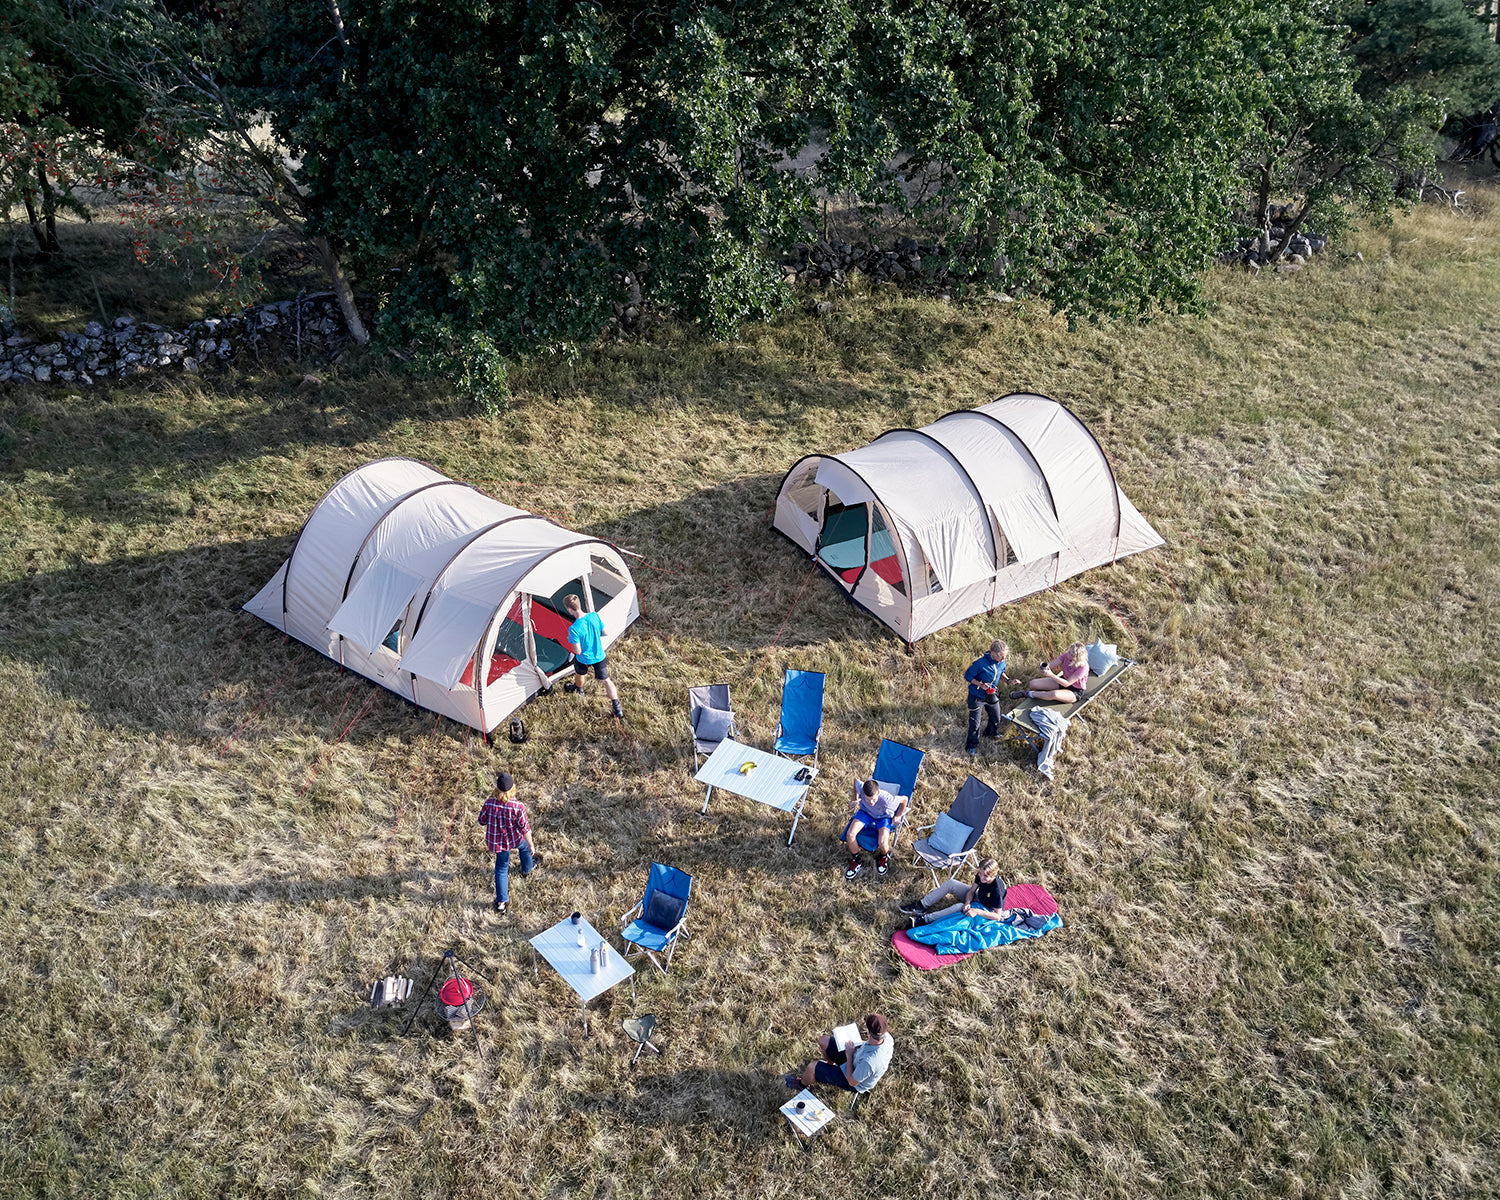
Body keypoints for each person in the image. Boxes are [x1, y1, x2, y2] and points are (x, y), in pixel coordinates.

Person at [785, 1013, 895, 1097]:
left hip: (854, 1079)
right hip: (856, 1058)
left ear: (869, 1033)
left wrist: (849, 1055)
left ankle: (801, 1085)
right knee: (823, 1041)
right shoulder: (887, 1038)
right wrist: (856, 1043)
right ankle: (829, 1065)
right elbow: (868, 1044)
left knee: (812, 1067)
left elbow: (852, 1082)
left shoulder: (870, 1062)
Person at [476, 771, 537, 914]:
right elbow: (525, 829)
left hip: (497, 843)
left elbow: (481, 821)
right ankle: (527, 869)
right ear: (513, 788)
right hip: (513, 839)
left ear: (497, 788)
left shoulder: (489, 803)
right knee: (524, 847)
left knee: (501, 869)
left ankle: (501, 903)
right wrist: (531, 844)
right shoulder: (518, 807)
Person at [562, 593, 623, 719]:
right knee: (606, 680)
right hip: (599, 656)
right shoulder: (594, 616)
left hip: (583, 659)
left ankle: (579, 689)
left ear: (569, 609)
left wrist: (572, 641)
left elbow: (577, 651)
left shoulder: (574, 629)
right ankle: (617, 707)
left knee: (579, 674)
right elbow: (605, 632)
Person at [900, 858, 1005, 923]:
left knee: (958, 907)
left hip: (985, 910)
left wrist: (976, 911)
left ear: (993, 875)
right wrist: (968, 902)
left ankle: (925, 919)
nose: (981, 878)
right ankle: (921, 905)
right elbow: (972, 891)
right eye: (980, 874)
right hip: (979, 898)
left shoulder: (997, 889)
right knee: (952, 883)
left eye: (985, 877)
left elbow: (997, 916)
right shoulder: (981, 874)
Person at [843, 778, 907, 880]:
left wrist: (898, 815)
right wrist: (855, 799)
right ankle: (857, 861)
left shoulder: (888, 799)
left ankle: (882, 857)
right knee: (850, 835)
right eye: (868, 799)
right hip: (865, 813)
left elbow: (904, 799)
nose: (871, 802)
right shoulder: (861, 788)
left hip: (883, 817)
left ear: (878, 793)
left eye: (873, 799)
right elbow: (855, 781)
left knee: (882, 844)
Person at [963, 639, 1016, 757]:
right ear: (992, 653)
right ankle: (971, 746)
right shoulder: (979, 664)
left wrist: (1008, 680)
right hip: (977, 696)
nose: (1003, 659)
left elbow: (1001, 672)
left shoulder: (1002, 662)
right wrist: (980, 685)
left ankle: (990, 733)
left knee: (996, 717)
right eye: (1000, 656)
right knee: (975, 723)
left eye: (1005, 656)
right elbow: (968, 676)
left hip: (991, 695)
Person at [1013, 641, 1089, 705]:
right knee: (1033, 684)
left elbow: (1067, 683)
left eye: (1071, 655)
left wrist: (1051, 675)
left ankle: (1027, 694)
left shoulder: (1083, 667)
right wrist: (1044, 668)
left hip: (1074, 690)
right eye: (1069, 652)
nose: (1068, 654)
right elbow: (1051, 665)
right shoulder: (1066, 655)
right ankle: (1042, 694)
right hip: (1062, 680)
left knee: (1054, 694)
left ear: (1077, 658)